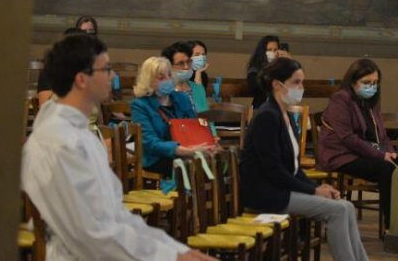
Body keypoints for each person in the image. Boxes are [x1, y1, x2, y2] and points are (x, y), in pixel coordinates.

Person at [21, 33, 216, 260]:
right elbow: (92, 232)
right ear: (82, 79)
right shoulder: (60, 141)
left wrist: (177, 250)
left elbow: (115, 215)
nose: (112, 76)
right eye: (106, 69)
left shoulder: (79, 134)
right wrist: (169, 255)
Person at [240, 57, 369, 261]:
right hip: (266, 195)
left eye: (302, 82)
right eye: (296, 82)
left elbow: (294, 168)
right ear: (276, 84)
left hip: (281, 189)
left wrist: (318, 187)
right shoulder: (267, 116)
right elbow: (273, 170)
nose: (302, 87)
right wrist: (314, 190)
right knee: (337, 212)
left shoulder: (286, 114)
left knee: (347, 206)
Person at [317, 58, 398, 226]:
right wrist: (380, 155)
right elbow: (347, 138)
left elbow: (381, 134)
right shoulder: (341, 99)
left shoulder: (371, 102)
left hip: (365, 153)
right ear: (352, 82)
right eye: (366, 82)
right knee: (387, 169)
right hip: (341, 155)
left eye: (375, 83)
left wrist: (389, 151)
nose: (372, 87)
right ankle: (391, 226)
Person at [130, 56, 217, 178]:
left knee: (219, 162)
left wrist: (207, 143)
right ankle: (193, 196)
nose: (168, 80)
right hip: (158, 157)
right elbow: (150, 143)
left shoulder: (182, 98)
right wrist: (185, 151)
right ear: (148, 81)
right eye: (161, 78)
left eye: (169, 75)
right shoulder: (140, 105)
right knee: (193, 168)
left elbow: (194, 126)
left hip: (187, 151)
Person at [245, 35, 281, 108]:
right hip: (261, 108)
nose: (273, 53)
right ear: (263, 51)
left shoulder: (281, 67)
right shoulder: (254, 70)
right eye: (269, 50)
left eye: (275, 50)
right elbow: (258, 87)